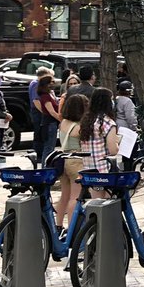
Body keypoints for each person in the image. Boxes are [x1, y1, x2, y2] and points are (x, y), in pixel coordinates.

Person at [55, 93, 89, 227]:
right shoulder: (78, 127)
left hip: (64, 159)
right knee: (75, 197)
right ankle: (72, 227)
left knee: (64, 195)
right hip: (76, 161)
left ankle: (58, 225)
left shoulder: (63, 123)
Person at [78, 88, 120, 181]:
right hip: (103, 169)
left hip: (88, 168)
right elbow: (113, 150)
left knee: (95, 194)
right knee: (106, 195)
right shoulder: (108, 123)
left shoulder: (86, 120)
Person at [113, 80, 138, 170]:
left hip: (116, 126)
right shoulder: (127, 101)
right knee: (129, 153)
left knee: (123, 153)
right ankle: (129, 171)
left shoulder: (116, 99)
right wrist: (135, 127)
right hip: (126, 128)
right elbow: (130, 117)